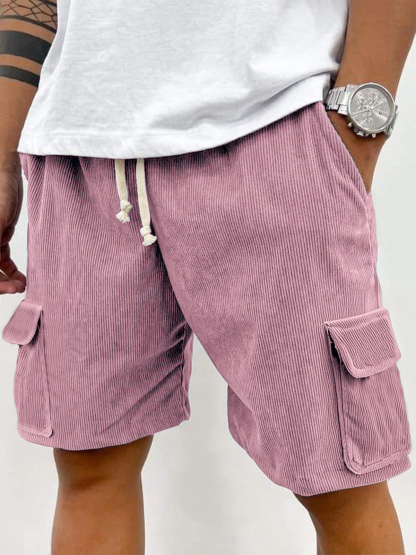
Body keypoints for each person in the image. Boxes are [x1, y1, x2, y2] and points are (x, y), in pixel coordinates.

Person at [0, 0, 415, 553]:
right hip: (78, 153)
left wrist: (358, 127)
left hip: (269, 126)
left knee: (339, 476)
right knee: (88, 462)